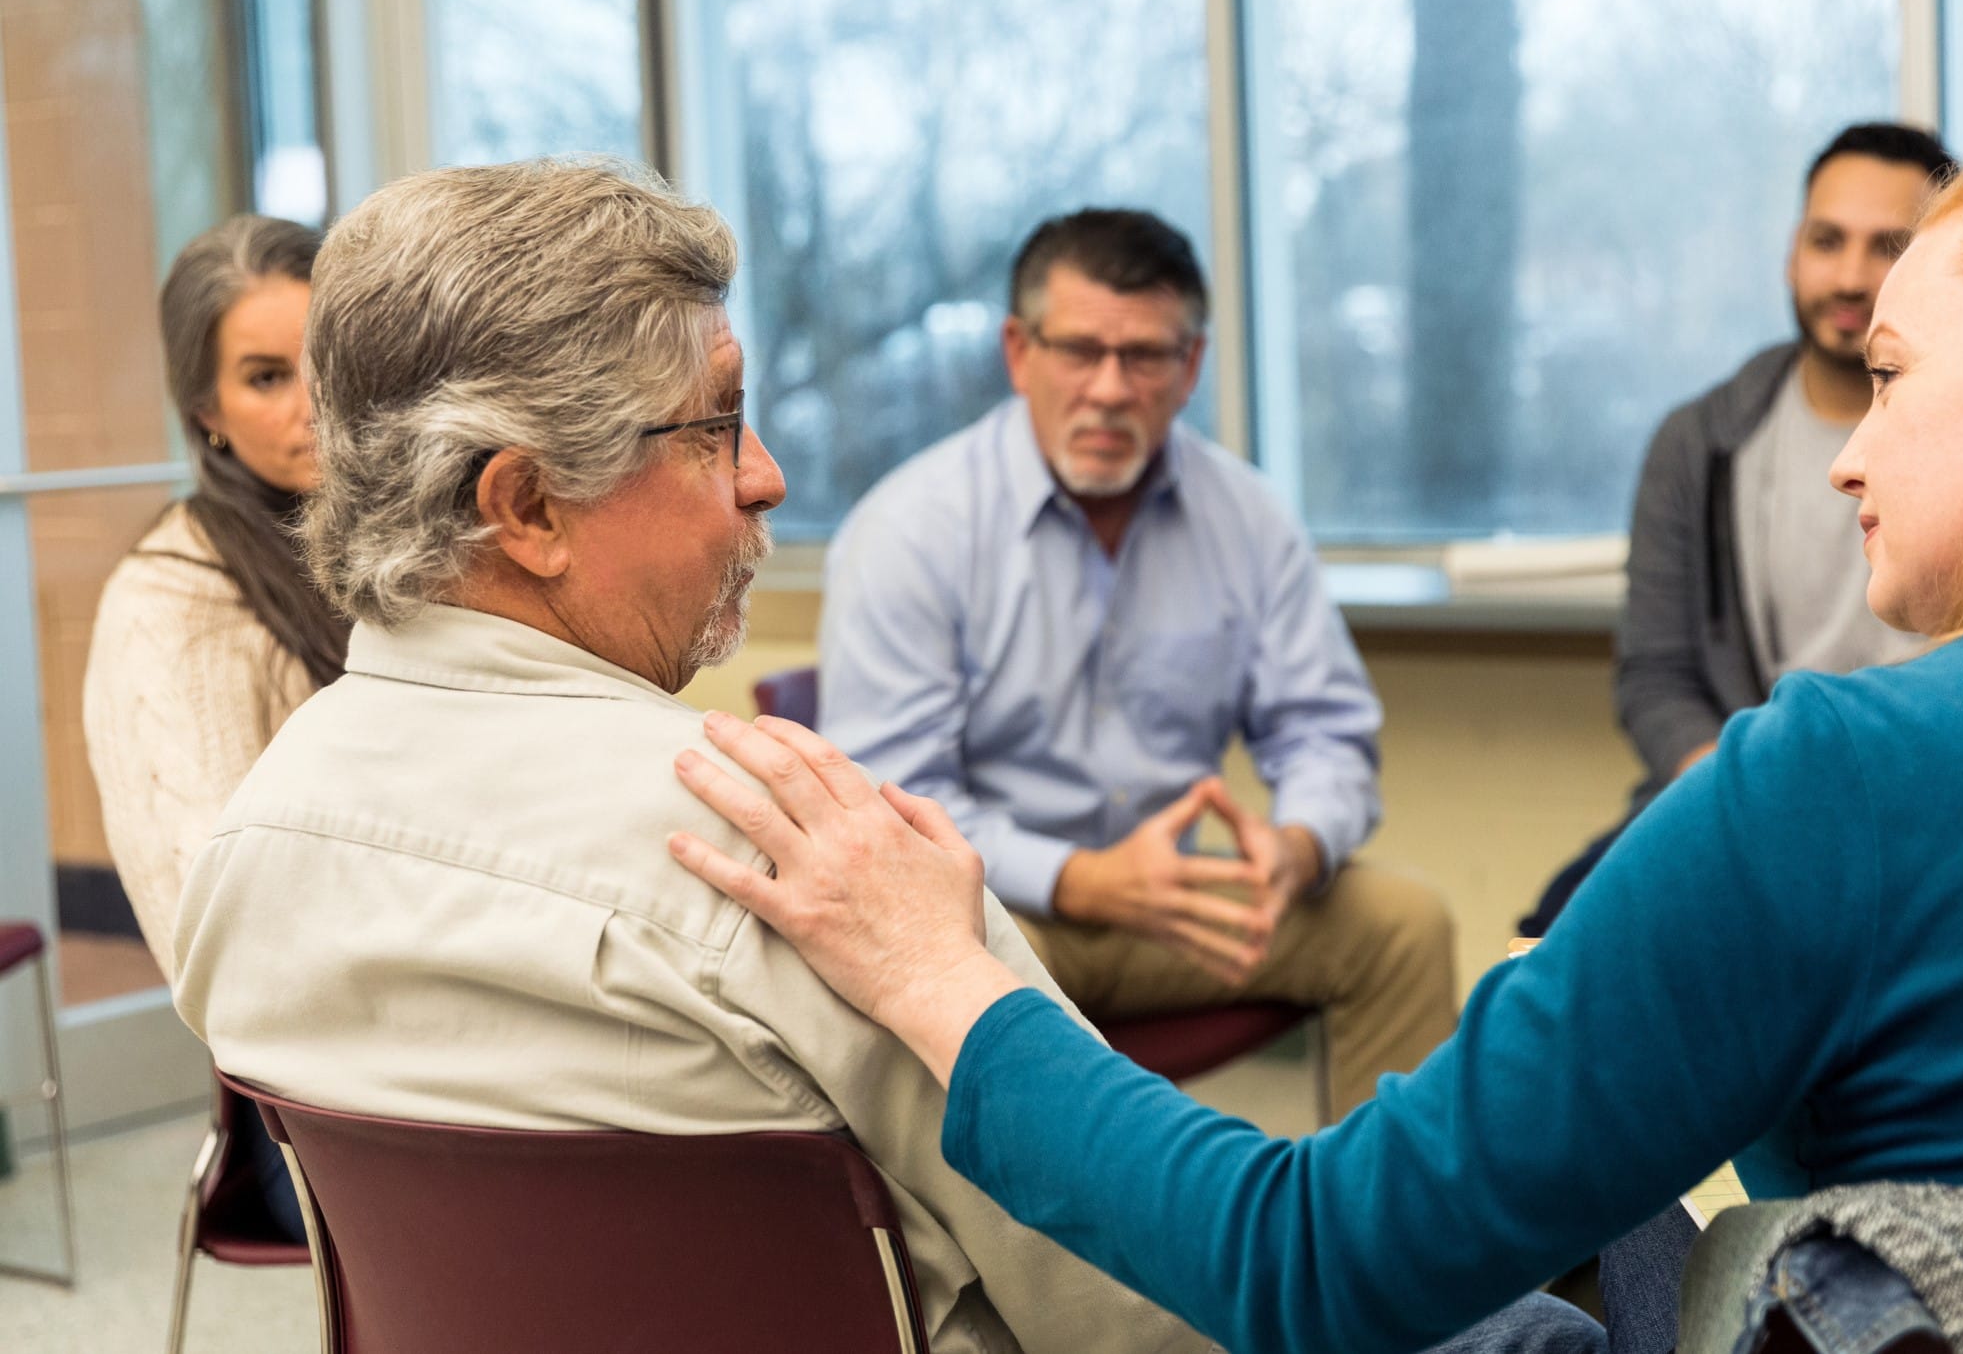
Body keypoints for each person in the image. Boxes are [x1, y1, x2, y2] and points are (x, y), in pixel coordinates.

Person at [669, 128, 1963, 1352]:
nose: (1849, 449)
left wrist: (941, 974)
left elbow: (1308, 1263)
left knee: (1449, 1274)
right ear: (1020, 352)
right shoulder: (920, 521)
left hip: (1176, 942)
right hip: (1043, 878)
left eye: (1893, 373)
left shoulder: (1836, 776)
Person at [170, 159, 1212, 1354]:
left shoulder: (250, 855)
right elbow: (1156, 1302)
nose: (763, 474)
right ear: (529, 507)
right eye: (716, 422)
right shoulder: (805, 857)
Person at [819, 208, 1454, 1118]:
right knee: (931, 964)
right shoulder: (910, 530)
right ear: (1018, 350)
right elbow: (897, 805)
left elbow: (1325, 730)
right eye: (1080, 350)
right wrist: (1079, 877)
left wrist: (1295, 845)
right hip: (1000, 913)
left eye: (1146, 356)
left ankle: (1384, 1253)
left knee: (1402, 926)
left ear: (1190, 366)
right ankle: (1026, 1260)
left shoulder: (1249, 518)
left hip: (1181, 903)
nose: (1110, 389)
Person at [1523, 122, 1956, 934]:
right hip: (1735, 797)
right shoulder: (1698, 443)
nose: (1852, 275)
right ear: (1793, 253)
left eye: (1888, 246)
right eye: (1828, 241)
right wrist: (1740, 792)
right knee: (1548, 936)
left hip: (1926, 805)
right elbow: (1655, 675)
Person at [82, 214, 345, 1240]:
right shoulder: (170, 601)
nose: (314, 404)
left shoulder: (403, 545)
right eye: (267, 376)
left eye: (326, 359)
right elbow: (214, 940)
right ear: (208, 411)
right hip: (316, 1118)